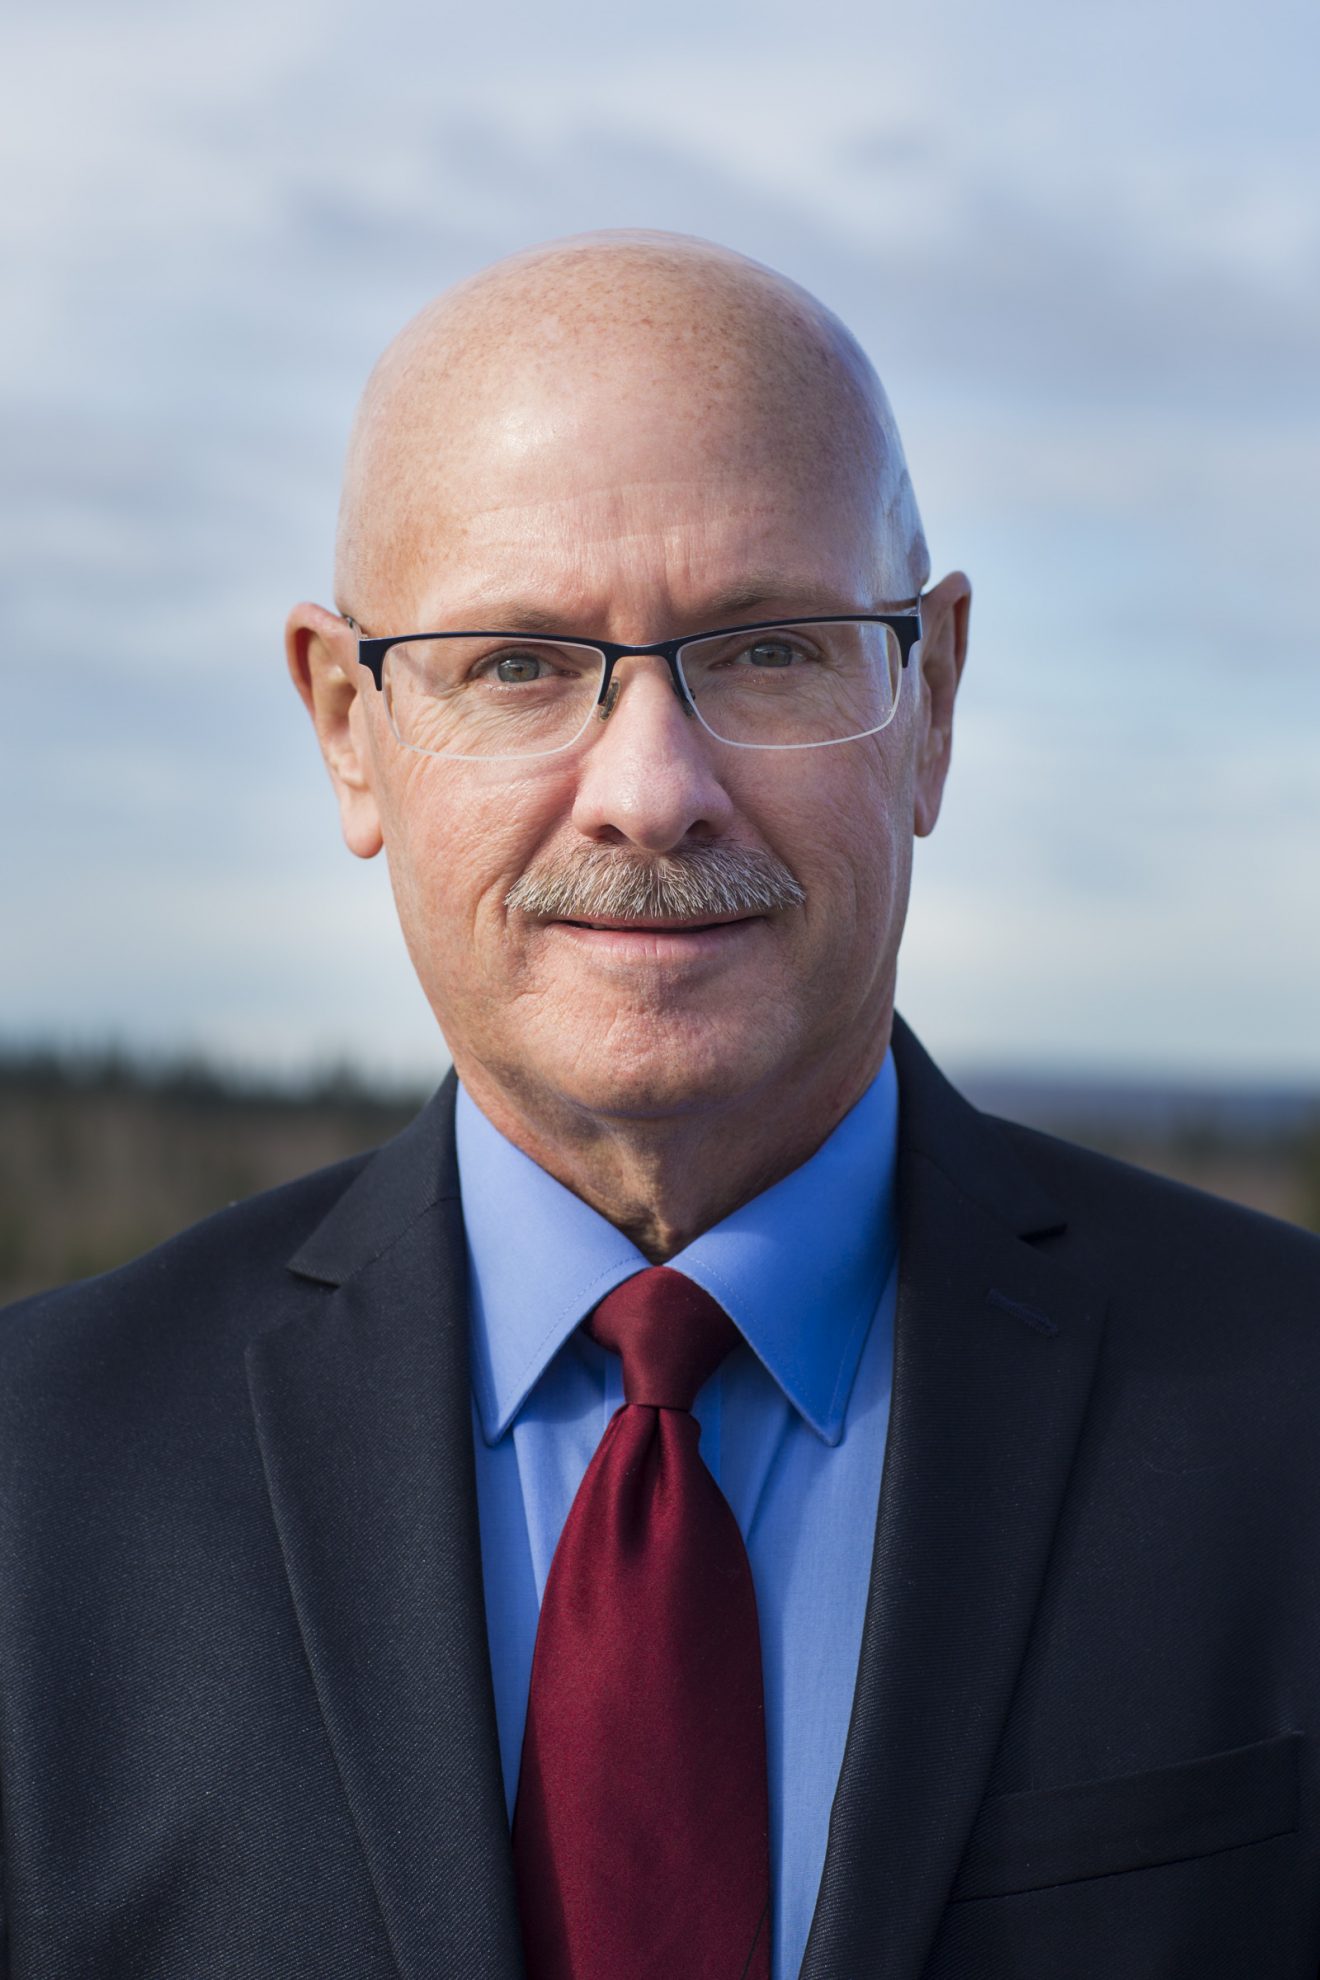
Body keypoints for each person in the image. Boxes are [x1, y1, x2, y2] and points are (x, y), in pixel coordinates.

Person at [1, 231, 1317, 1980]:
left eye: (769, 649)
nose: (651, 793)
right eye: (521, 663)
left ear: (927, 705)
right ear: (347, 727)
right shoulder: (36, 1479)